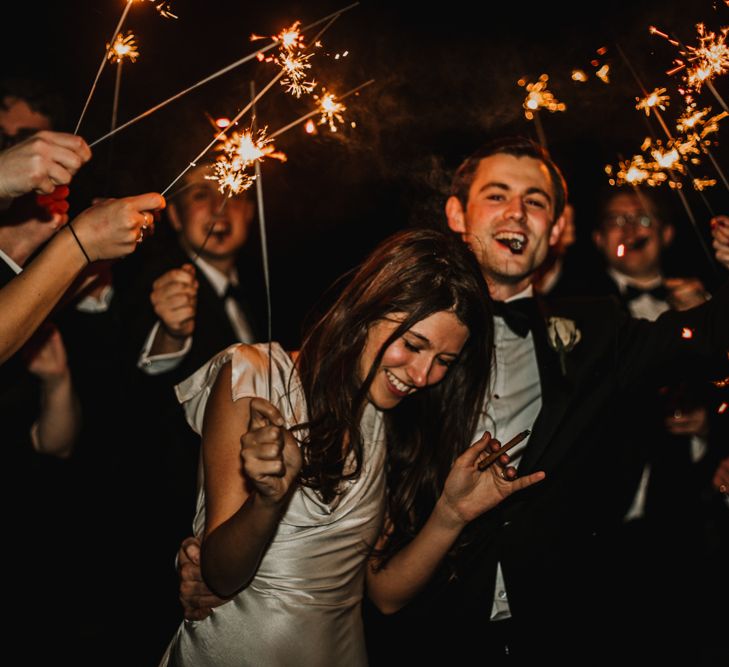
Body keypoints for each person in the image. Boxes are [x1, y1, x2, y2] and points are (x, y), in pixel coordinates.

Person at [162, 228, 544, 667]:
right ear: (368, 309)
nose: (422, 376)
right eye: (413, 345)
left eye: (444, 361)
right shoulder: (255, 376)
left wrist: (451, 514)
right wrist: (269, 501)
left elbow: (383, 594)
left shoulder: (390, 423)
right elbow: (221, 575)